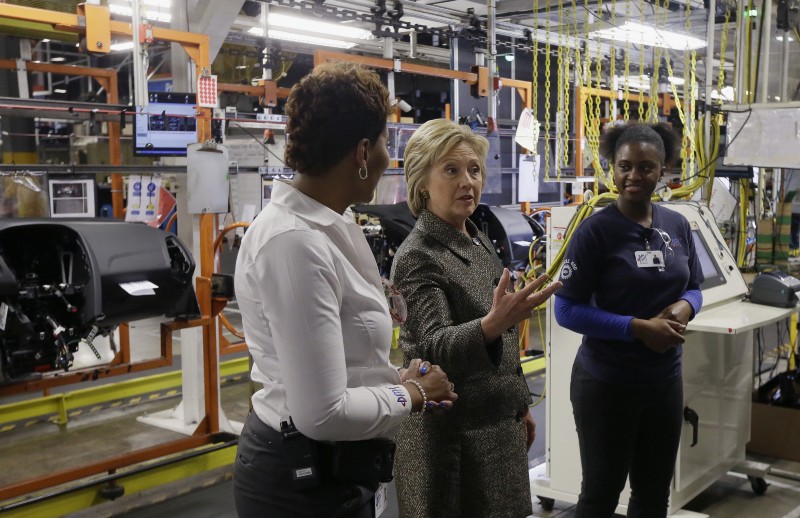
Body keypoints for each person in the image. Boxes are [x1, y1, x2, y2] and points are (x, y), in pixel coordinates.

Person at [232, 63, 457, 518]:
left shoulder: (330, 226)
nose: (387, 157)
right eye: (383, 142)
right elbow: (321, 412)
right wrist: (412, 394)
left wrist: (391, 378)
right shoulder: (295, 242)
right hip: (301, 484)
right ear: (360, 152)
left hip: (339, 470)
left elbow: (333, 366)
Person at [391, 118, 562, 518]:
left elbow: (499, 345)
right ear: (421, 181)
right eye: (451, 170)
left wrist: (519, 406)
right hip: (452, 442)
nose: (467, 181)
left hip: (496, 427)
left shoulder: (475, 236)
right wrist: (494, 323)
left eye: (474, 169)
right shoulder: (418, 255)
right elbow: (433, 348)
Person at [554, 121, 704, 518]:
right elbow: (566, 309)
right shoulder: (595, 233)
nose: (633, 176)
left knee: (654, 496)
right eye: (624, 166)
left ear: (664, 170)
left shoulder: (677, 224)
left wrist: (685, 307)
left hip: (664, 383)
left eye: (645, 167)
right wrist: (637, 328)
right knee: (600, 497)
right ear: (612, 167)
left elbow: (696, 287)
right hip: (607, 384)